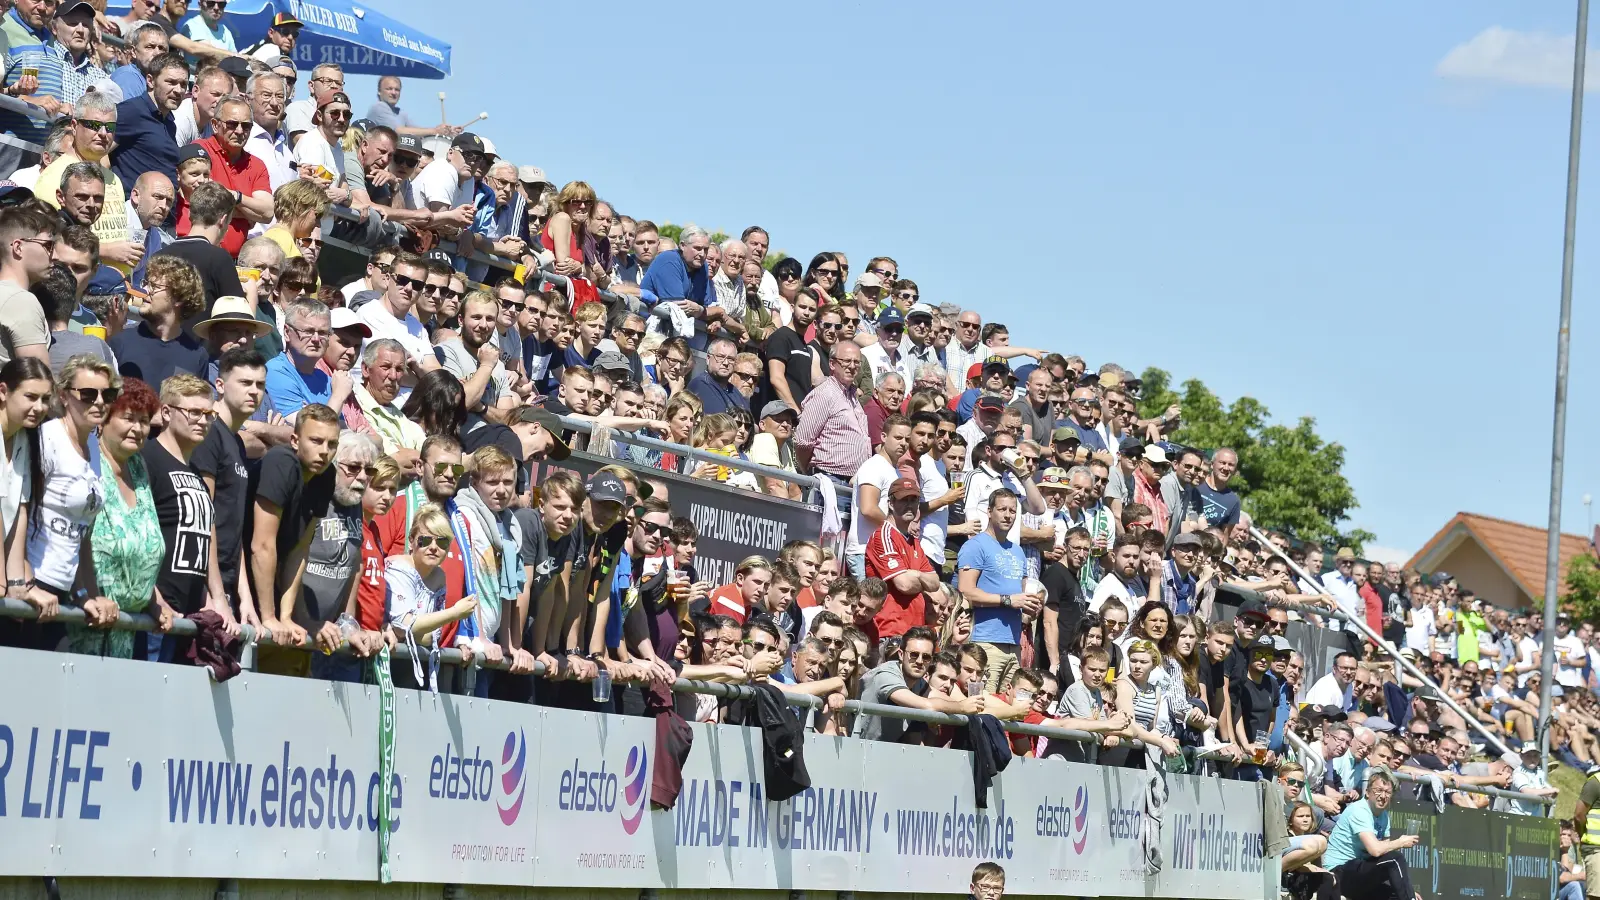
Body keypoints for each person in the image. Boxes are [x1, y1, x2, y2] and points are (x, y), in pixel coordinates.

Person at [68, 377, 164, 657]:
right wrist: (90, 594)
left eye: (144, 420)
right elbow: (73, 538)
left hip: (129, 631)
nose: (138, 428)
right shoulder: (88, 462)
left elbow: (144, 549)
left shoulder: (139, 468)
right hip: (83, 623)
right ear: (103, 420)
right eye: (128, 418)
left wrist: (155, 602)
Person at [247, 404, 340, 660]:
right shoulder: (281, 462)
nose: (324, 451)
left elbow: (301, 548)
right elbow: (261, 545)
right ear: (295, 440)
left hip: (268, 581)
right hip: (238, 578)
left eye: (332, 444)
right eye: (316, 441)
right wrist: (269, 617)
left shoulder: (326, 475)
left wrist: (285, 616)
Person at [384, 501, 479, 691]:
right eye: (425, 540)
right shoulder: (398, 568)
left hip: (414, 663)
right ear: (411, 541)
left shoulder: (439, 576)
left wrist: (418, 627)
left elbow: (431, 636)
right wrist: (454, 613)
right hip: (387, 662)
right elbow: (406, 626)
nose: (434, 547)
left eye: (442, 542)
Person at [958, 488, 1043, 692]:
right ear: (989, 511)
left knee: (1006, 711)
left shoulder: (1018, 551)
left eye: (1012, 511)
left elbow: (1019, 598)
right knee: (980, 704)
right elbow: (965, 591)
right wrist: (1007, 600)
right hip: (984, 642)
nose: (1007, 515)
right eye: (1002, 509)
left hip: (1013, 644)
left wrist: (1030, 608)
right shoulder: (975, 545)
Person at [852, 625, 983, 741]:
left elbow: (942, 699)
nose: (920, 661)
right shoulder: (886, 675)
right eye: (914, 655)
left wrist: (971, 706)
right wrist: (961, 708)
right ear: (901, 654)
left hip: (880, 751)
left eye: (926, 657)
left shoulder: (919, 683)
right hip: (855, 748)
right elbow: (927, 705)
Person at [1322, 769, 1420, 900]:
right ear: (1367, 793)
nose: (1383, 795)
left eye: (1387, 792)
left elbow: (1384, 855)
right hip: (1338, 873)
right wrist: (1401, 842)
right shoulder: (1359, 810)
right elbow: (1375, 850)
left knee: (1397, 895)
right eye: (1378, 790)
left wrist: (1407, 889)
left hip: (1359, 872)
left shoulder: (1384, 815)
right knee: (1396, 858)